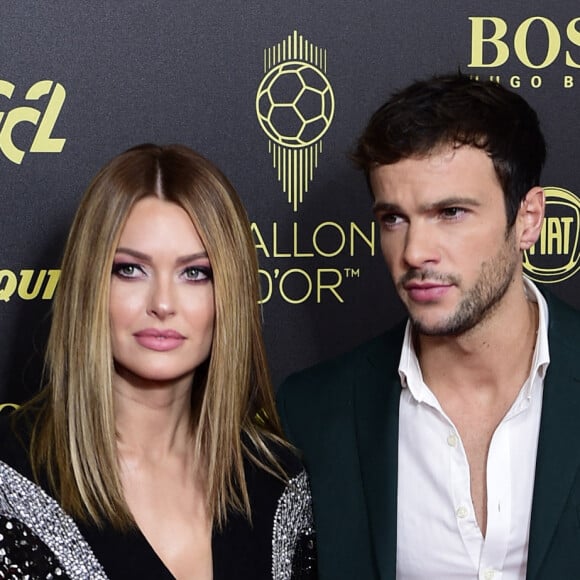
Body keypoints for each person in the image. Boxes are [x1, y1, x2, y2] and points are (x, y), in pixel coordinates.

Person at [277, 74, 580, 579]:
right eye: (394, 219)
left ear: (528, 218)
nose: (414, 252)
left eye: (451, 212)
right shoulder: (314, 411)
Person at [0, 144, 316, 579]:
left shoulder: (277, 480)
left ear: (231, 293)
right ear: (90, 284)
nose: (163, 303)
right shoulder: (12, 480)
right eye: (130, 269)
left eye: (195, 273)